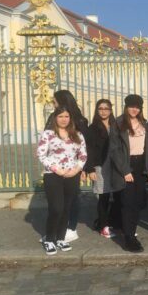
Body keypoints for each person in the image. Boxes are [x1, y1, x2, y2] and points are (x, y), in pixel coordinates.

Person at [36, 106, 88, 255]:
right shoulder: (48, 134)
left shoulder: (77, 135)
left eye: (66, 116)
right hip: (53, 175)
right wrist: (55, 169)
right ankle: (49, 239)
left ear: (70, 118)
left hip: (72, 175)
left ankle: (60, 238)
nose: (64, 119)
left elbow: (83, 154)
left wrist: (76, 169)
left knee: (66, 208)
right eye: (60, 116)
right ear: (55, 118)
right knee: (56, 208)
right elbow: (41, 154)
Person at [109, 95, 148, 252]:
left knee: (137, 202)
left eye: (137, 106)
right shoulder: (118, 123)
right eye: (131, 106)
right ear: (126, 107)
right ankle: (128, 238)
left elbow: (147, 147)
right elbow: (114, 150)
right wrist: (125, 170)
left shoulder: (144, 123)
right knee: (127, 202)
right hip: (126, 165)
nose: (134, 109)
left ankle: (131, 231)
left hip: (141, 164)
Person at [46, 90, 89, 243]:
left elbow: (84, 146)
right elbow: (47, 139)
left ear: (62, 101)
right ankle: (56, 231)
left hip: (73, 166)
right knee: (57, 201)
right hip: (56, 165)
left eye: (55, 101)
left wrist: (82, 168)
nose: (53, 103)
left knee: (72, 198)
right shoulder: (53, 117)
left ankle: (71, 227)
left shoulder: (80, 120)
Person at [84, 99, 118, 238]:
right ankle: (103, 226)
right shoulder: (93, 128)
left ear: (110, 110)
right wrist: (90, 169)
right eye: (101, 108)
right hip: (99, 165)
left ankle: (112, 222)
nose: (103, 111)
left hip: (115, 166)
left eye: (106, 108)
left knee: (116, 196)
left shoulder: (116, 125)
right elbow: (89, 149)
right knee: (103, 196)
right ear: (97, 111)